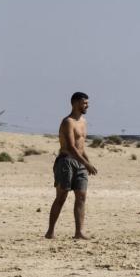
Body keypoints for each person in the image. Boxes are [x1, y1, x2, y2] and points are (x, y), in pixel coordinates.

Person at [46, 92, 98, 240]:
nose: (87, 105)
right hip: (66, 161)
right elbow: (70, 147)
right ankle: (50, 231)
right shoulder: (67, 122)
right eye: (84, 103)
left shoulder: (83, 121)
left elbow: (81, 147)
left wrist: (88, 161)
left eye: (87, 103)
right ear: (75, 104)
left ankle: (79, 232)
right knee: (61, 196)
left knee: (81, 197)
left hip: (80, 163)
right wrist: (86, 164)